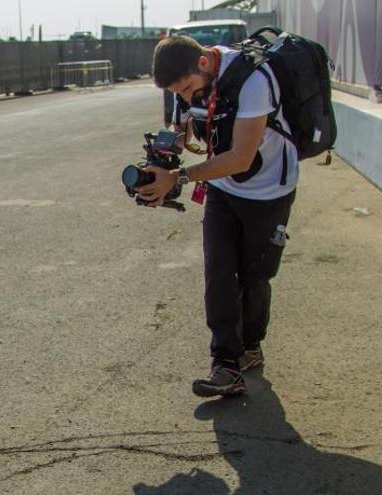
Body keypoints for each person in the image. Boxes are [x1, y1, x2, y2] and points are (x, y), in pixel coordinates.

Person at [137, 35, 298, 398]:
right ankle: (225, 363)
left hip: (269, 189)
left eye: (188, 89)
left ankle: (251, 346)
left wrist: (177, 178)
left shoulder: (254, 79)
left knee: (255, 275)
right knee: (219, 271)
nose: (184, 97)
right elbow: (180, 133)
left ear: (205, 64)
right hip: (224, 187)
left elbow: (241, 158)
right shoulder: (186, 86)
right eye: (177, 93)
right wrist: (159, 159)